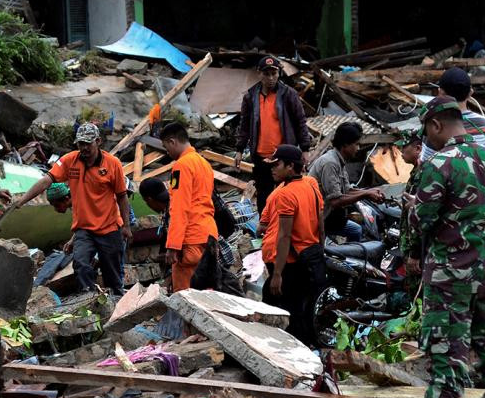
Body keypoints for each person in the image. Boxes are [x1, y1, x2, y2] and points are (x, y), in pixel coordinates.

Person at [402, 96, 485, 398]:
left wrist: (412, 210)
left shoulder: (441, 163)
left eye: (426, 131)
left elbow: (422, 222)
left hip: (452, 273)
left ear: (435, 125)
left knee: (446, 348)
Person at [13, 123, 131, 296]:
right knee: (81, 264)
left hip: (109, 228)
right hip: (84, 230)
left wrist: (126, 226)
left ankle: (117, 305)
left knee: (111, 274)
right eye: (80, 144)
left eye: (87, 143)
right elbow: (47, 180)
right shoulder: (70, 161)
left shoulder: (112, 164)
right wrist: (22, 200)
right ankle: (88, 298)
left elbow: (122, 196)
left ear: (98, 141)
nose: (83, 148)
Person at [258, 144, 324, 346]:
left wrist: (277, 274)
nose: (272, 168)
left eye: (276, 164)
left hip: (287, 262)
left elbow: (285, 236)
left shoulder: (286, 194)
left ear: (290, 166)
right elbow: (321, 224)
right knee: (300, 307)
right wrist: (319, 250)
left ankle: (292, 351)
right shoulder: (311, 184)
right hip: (308, 257)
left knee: (285, 311)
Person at [235, 55, 312, 210]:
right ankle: (266, 231)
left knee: (286, 196)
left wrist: (305, 149)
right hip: (261, 157)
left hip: (283, 158)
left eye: (274, 73)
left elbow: (300, 121)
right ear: (259, 73)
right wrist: (239, 150)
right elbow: (244, 125)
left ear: (279, 74)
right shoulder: (251, 96)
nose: (270, 78)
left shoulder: (288, 94)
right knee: (264, 197)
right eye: (266, 74)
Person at [158, 122, 218, 293]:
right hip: (208, 235)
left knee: (187, 300)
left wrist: (173, 245)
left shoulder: (182, 165)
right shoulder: (203, 163)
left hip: (190, 239)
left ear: (172, 141)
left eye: (166, 147)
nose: (167, 152)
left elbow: (179, 207)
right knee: (207, 294)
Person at [307, 122, 384, 242]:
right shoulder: (330, 163)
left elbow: (347, 190)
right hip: (313, 218)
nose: (358, 149)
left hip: (325, 214)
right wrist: (365, 194)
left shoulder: (339, 161)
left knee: (356, 229)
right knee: (355, 230)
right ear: (345, 145)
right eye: (356, 144)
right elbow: (336, 201)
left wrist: (369, 191)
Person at [419, 68, 485, 162]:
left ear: (441, 93)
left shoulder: (435, 124)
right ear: (470, 93)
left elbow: (426, 160)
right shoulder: (484, 123)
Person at [396, 130, 426, 279]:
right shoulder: (416, 171)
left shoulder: (424, 173)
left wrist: (414, 252)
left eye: (404, 147)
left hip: (417, 248)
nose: (401, 152)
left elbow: (419, 215)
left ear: (418, 149)